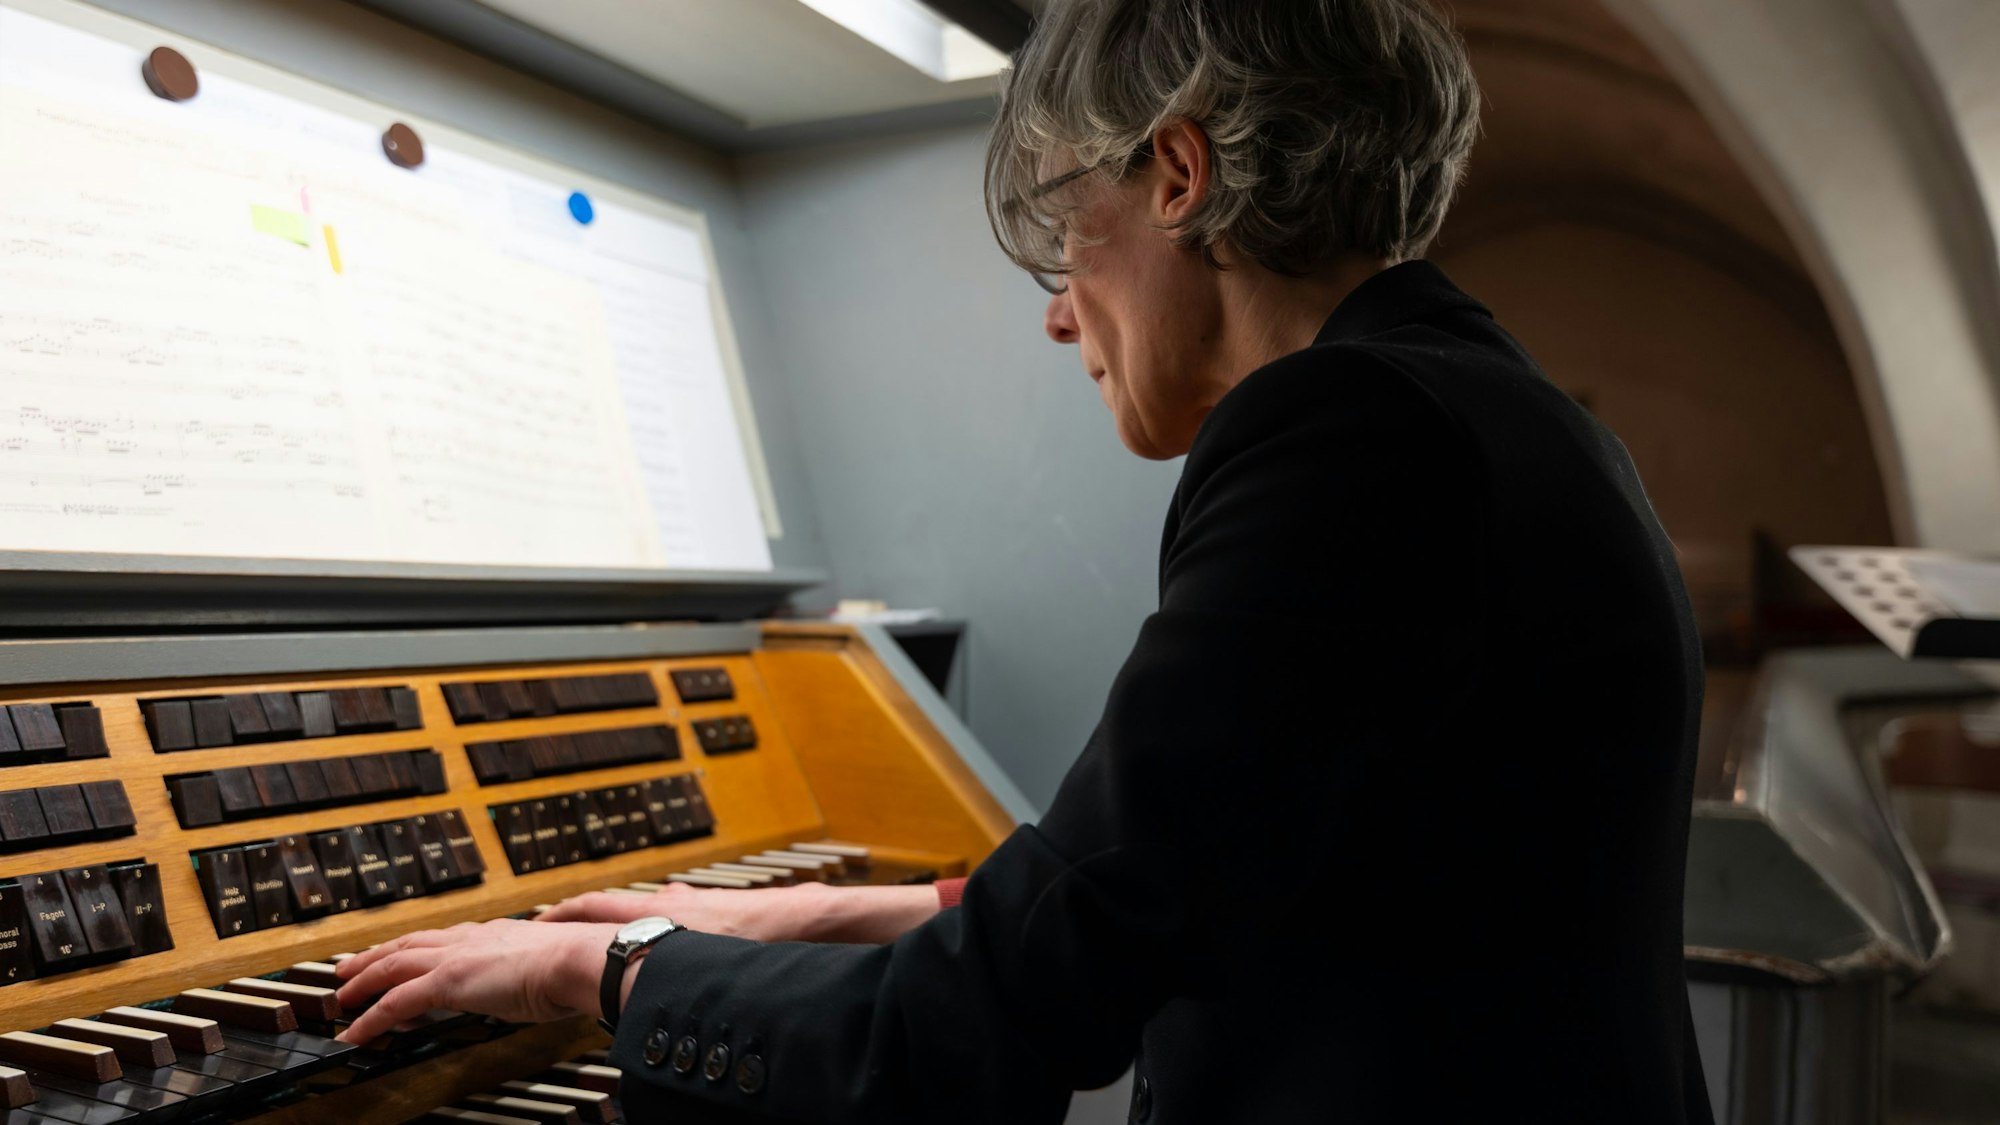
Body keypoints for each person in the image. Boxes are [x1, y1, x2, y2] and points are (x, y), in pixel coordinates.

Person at [336, 0, 1715, 1121]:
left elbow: (1000, 1017)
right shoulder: (1495, 411)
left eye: (1067, 236)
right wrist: (813, 914)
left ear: (1179, 175)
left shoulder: (1346, 436)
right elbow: (1200, 875)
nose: (1061, 316)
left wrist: (611, 963)